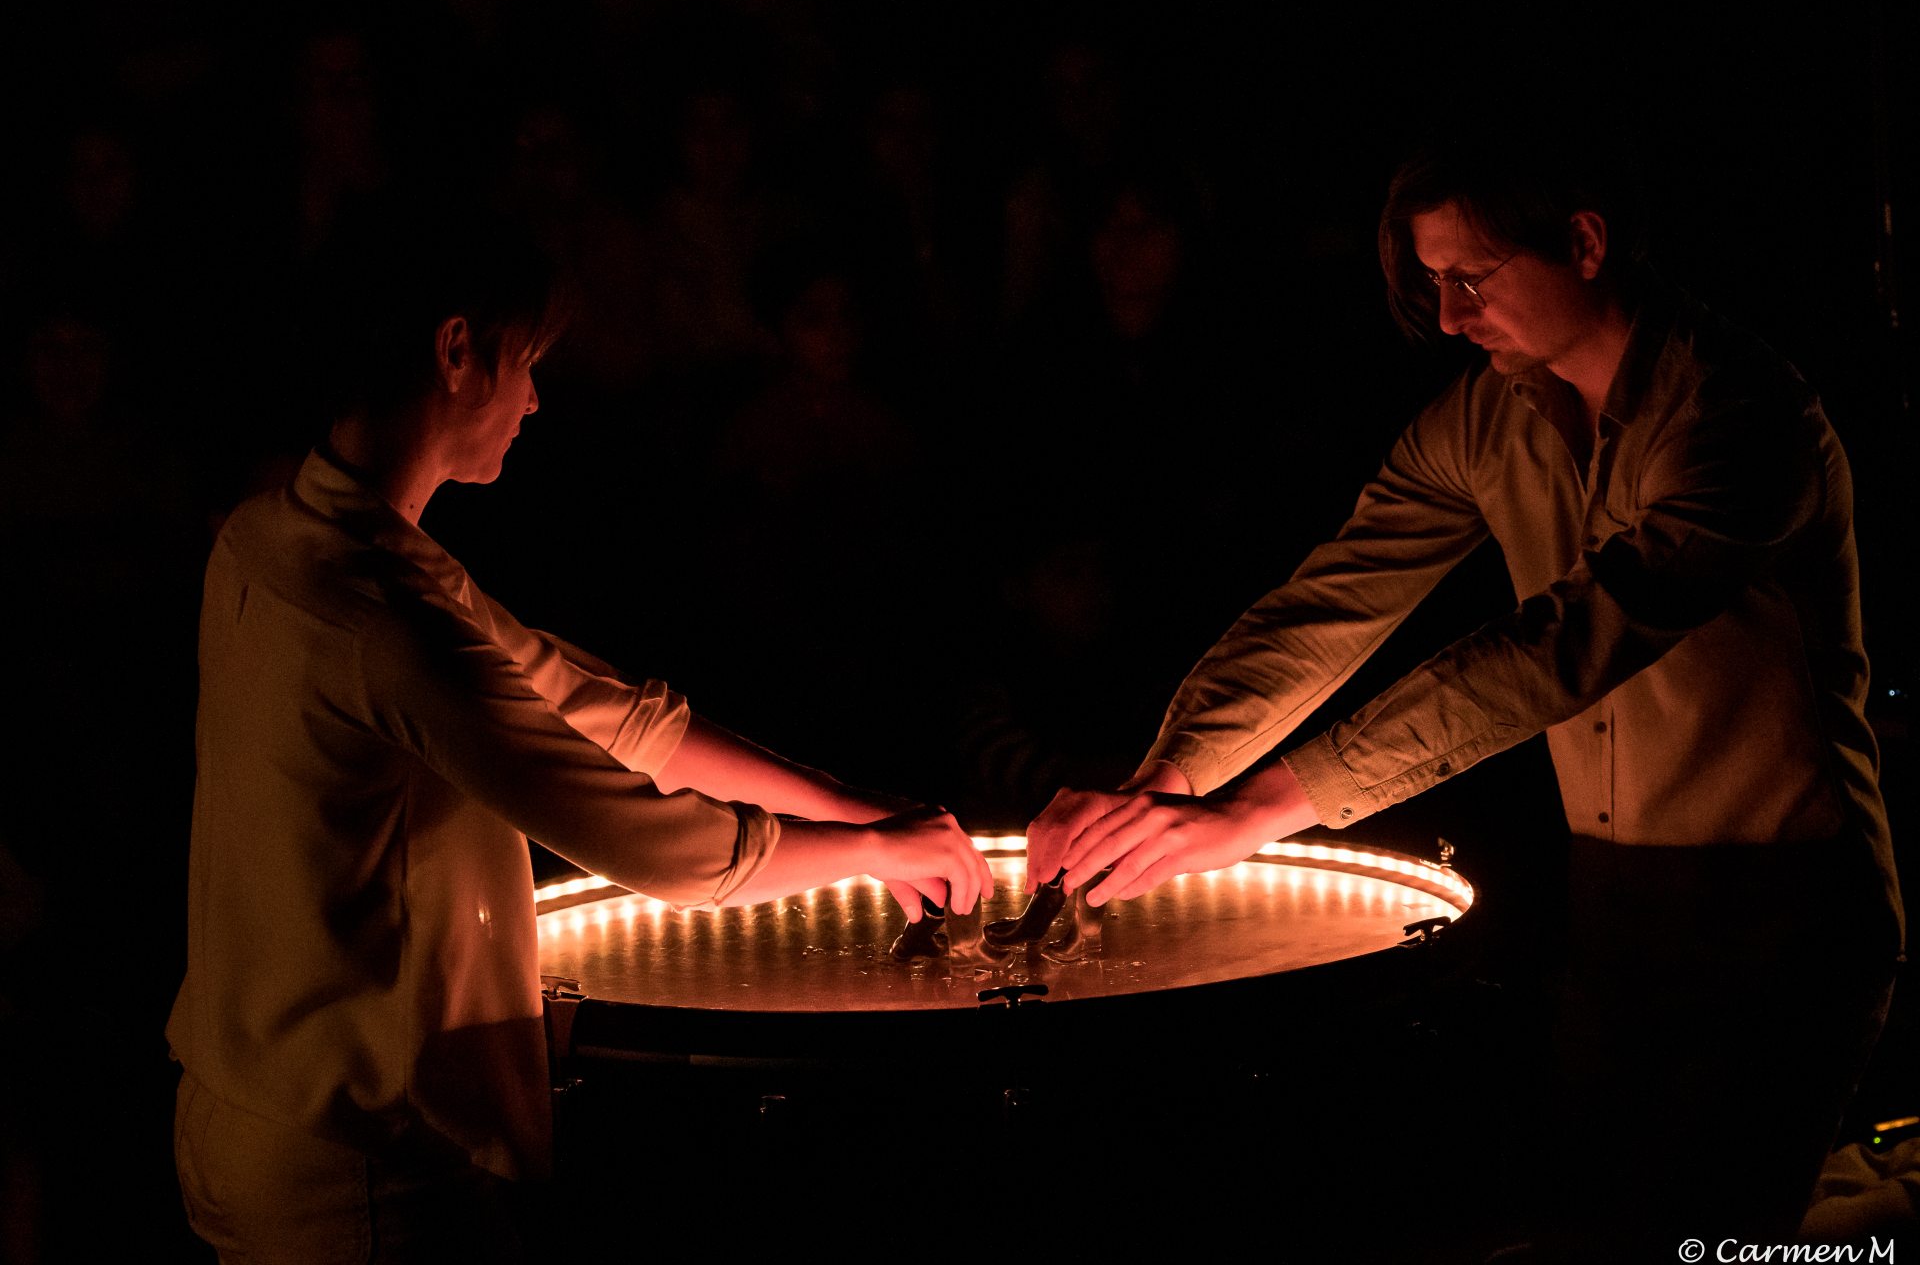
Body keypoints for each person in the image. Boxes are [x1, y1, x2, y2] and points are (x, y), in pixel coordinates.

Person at [1025, 132, 1904, 1255]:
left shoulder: (1738, 413)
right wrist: (1173, 774)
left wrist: (1258, 810)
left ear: (1584, 243)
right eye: (1431, 281)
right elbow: (1329, 604)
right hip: (1613, 910)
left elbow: (1562, 647)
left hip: (1784, 913)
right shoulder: (1485, 420)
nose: (1447, 316)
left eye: (1470, 278)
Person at [166, 199, 991, 1262]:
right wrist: (873, 853)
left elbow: (603, 710)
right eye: (530, 362)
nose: (538, 398)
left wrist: (860, 808)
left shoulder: (273, 535)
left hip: (241, 1110)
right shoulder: (382, 616)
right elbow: (646, 839)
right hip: (356, 1164)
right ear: (458, 351)